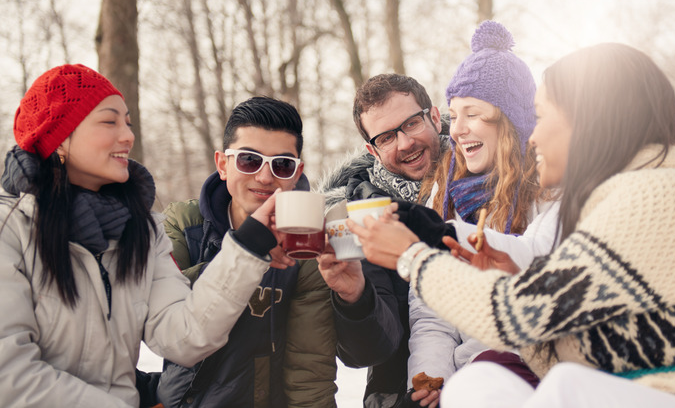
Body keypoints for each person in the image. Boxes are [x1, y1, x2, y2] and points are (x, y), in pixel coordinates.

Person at [349, 43, 675, 407]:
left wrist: (413, 254)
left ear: (590, 121)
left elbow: (526, 312)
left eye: (543, 116)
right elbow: (539, 285)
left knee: (533, 387)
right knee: (483, 384)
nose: (533, 134)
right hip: (648, 387)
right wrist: (450, 237)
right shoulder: (622, 193)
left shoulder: (650, 198)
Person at [0, 64, 293, 408]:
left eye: (128, 123)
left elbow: (185, 336)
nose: (127, 136)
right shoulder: (12, 228)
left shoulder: (142, 232)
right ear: (60, 136)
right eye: (110, 122)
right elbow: (11, 376)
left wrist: (247, 247)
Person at [407, 21, 558, 407]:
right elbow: (431, 311)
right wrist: (432, 377)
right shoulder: (444, 196)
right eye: (454, 115)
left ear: (509, 120)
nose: (457, 130)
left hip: (532, 373)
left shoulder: (548, 192)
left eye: (472, 113)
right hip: (464, 378)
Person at [156, 96, 337, 407]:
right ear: (223, 165)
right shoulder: (183, 225)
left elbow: (310, 371)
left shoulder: (306, 247)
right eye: (249, 160)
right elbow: (169, 324)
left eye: (282, 165)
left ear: (296, 173)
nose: (265, 177)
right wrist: (248, 247)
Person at [315, 73, 447, 407]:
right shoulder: (361, 216)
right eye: (387, 137)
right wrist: (354, 296)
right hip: (403, 395)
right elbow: (368, 351)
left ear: (434, 117)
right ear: (372, 149)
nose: (404, 143)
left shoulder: (489, 178)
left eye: (412, 124)